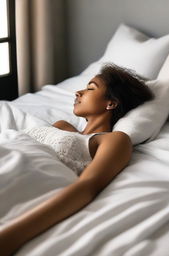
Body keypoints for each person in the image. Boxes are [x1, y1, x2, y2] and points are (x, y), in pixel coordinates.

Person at [0, 63, 154, 255]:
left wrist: (10, 237)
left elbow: (88, 186)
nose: (78, 92)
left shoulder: (115, 139)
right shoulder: (61, 125)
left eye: (90, 88)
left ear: (111, 103)